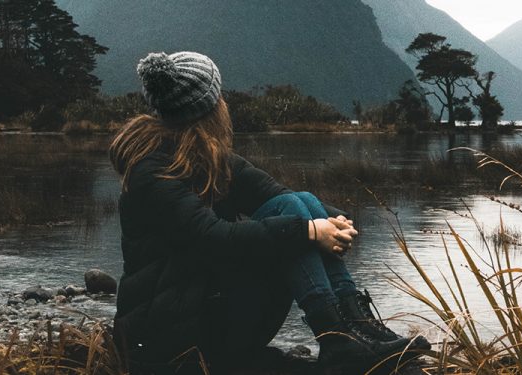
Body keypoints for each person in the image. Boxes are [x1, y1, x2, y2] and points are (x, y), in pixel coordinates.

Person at [110, 51, 429, 374]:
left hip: (197, 314)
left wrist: (331, 219)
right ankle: (336, 335)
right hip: (162, 342)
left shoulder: (209, 159)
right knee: (292, 224)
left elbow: (279, 195)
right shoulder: (151, 171)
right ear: (208, 108)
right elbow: (214, 237)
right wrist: (311, 231)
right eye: (219, 95)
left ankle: (357, 328)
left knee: (299, 200)